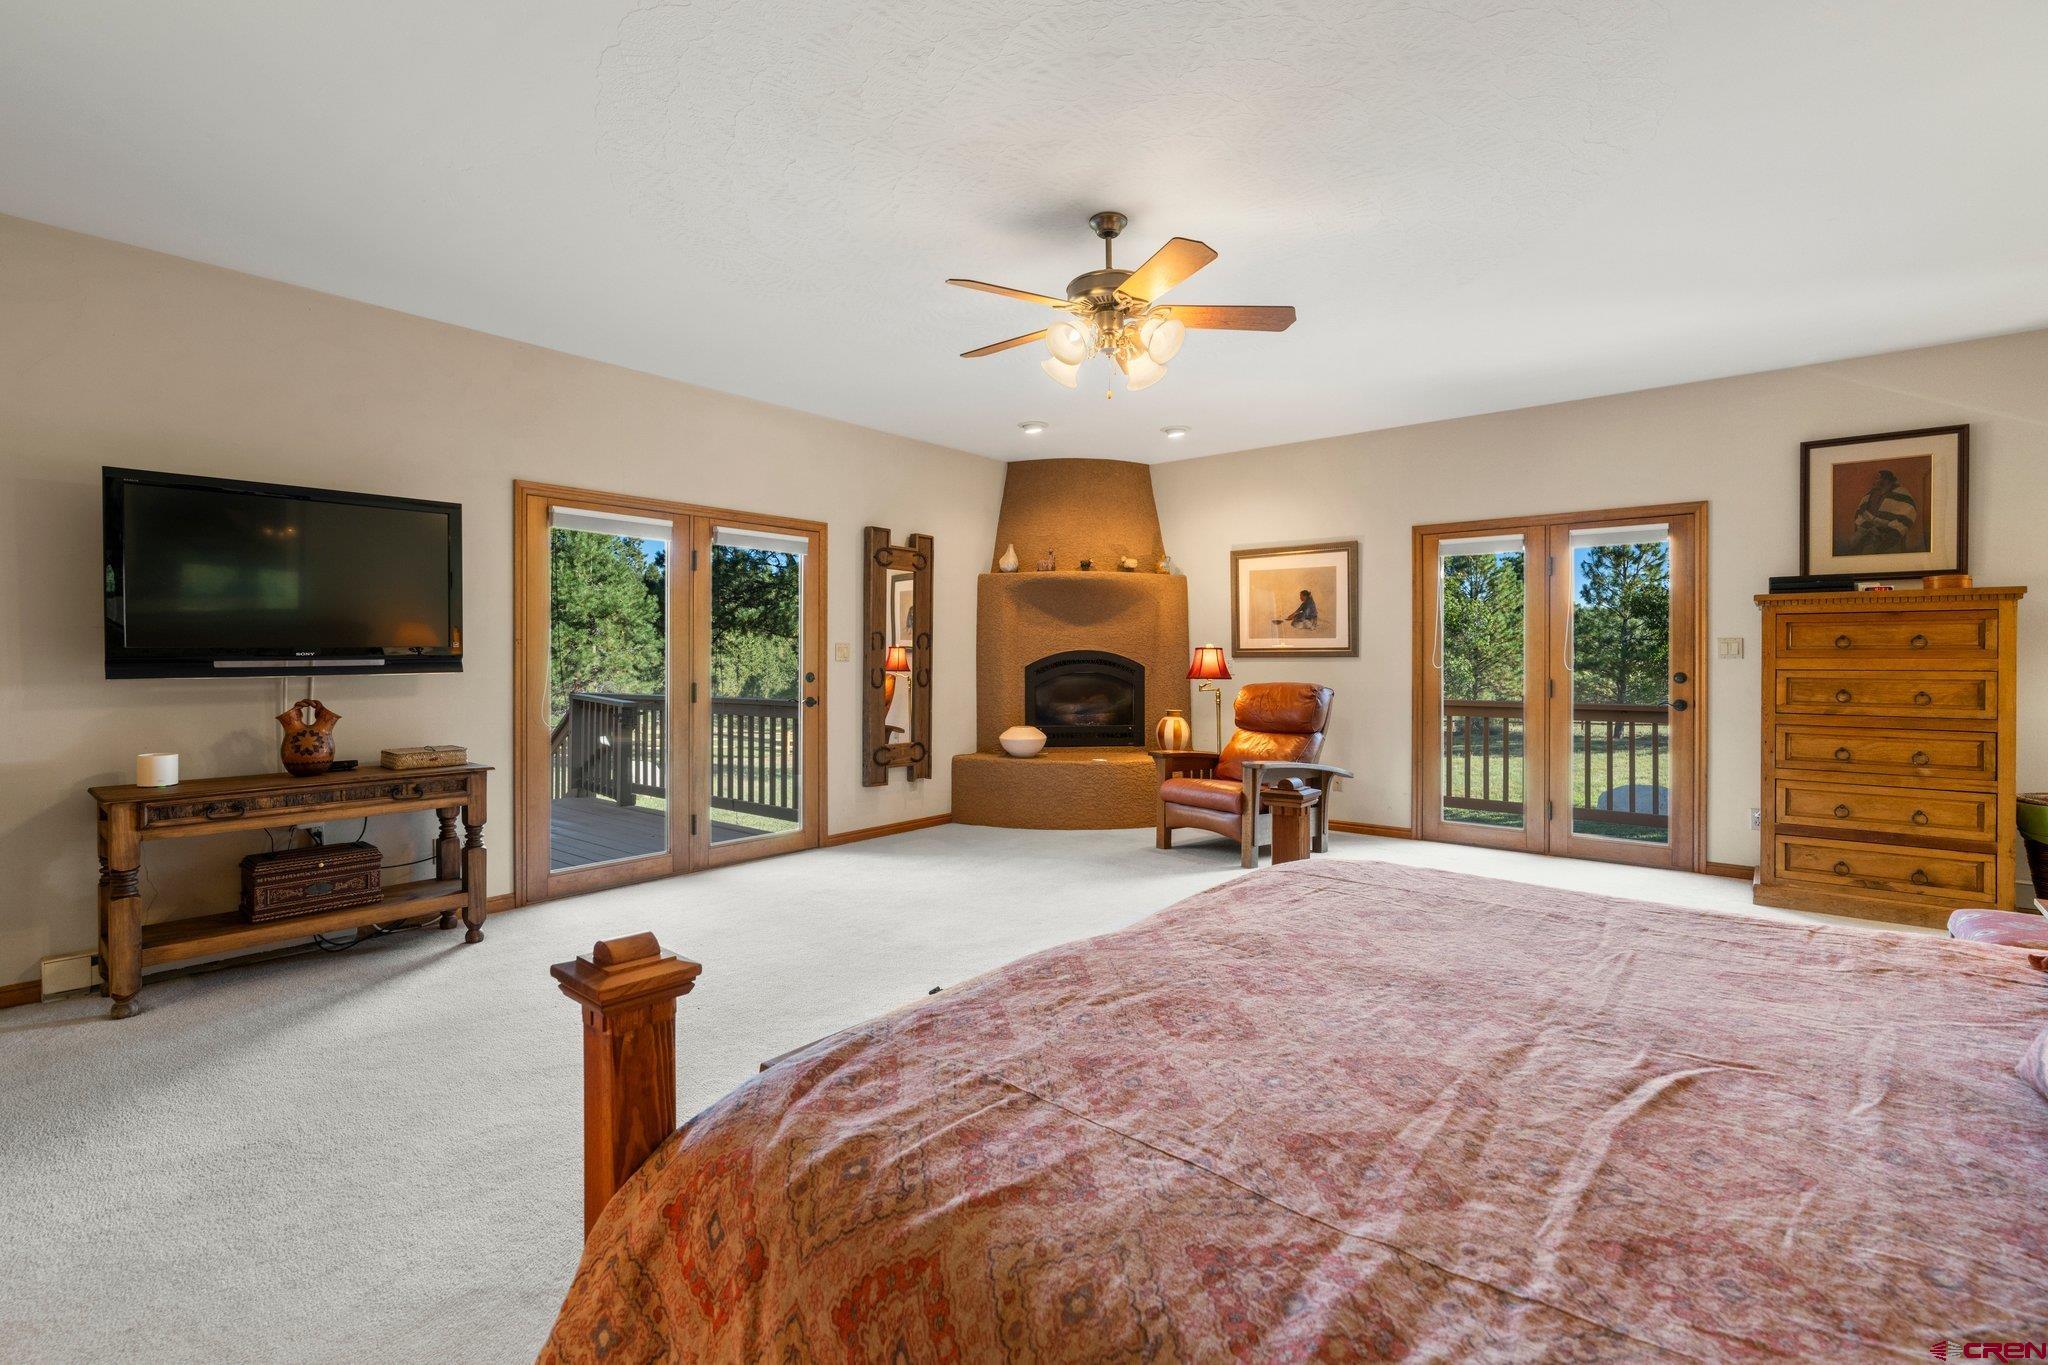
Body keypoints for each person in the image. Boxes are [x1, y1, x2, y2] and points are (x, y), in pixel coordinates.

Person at [1847, 469, 1919, 555]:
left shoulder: (1902, 493)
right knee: (1855, 546)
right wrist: (1868, 526)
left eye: (1878, 478)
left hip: (1889, 533)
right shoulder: (1871, 493)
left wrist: (1889, 530)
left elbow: (1908, 513)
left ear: (1886, 480)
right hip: (1869, 531)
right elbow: (1861, 511)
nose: (1875, 481)